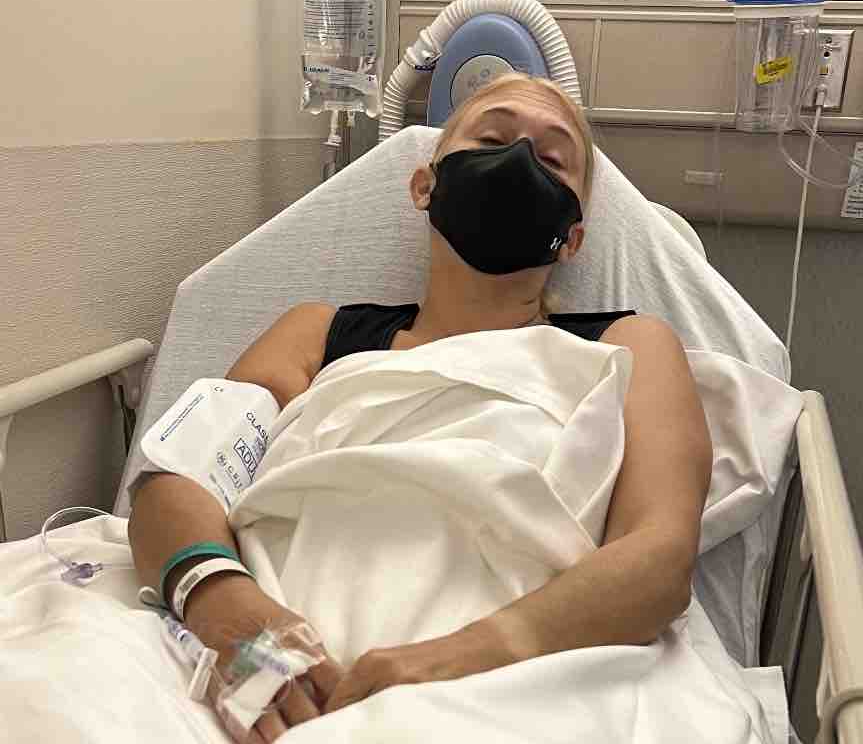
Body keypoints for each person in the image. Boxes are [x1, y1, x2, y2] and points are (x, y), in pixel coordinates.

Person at [128, 72, 712, 743]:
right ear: (424, 186)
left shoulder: (626, 346)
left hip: (504, 675)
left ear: (572, 236)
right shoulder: (317, 333)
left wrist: (453, 658)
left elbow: (660, 558)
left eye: (552, 160)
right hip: (269, 651)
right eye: (490, 139)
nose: (518, 160)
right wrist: (227, 610)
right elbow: (176, 484)